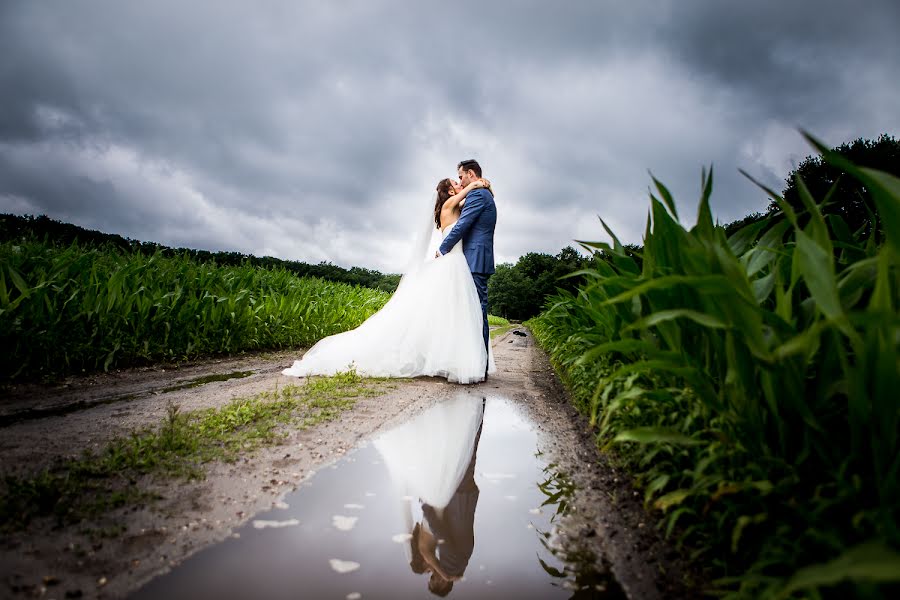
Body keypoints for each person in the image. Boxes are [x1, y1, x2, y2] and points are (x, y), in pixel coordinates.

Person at [281, 173, 496, 383]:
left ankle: (449, 358)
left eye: (460, 180)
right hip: (451, 263)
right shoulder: (450, 206)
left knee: (449, 316)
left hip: (456, 264)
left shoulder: (457, 206)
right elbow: (466, 199)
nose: (460, 184)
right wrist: (478, 183)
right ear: (450, 191)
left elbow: (471, 213)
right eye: (455, 183)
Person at [437, 160, 497, 380]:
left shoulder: (478, 195)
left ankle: (478, 365)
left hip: (474, 258)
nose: (460, 180)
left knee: (477, 312)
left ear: (470, 174)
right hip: (472, 258)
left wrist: (442, 249)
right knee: (471, 312)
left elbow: (462, 225)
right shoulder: (479, 192)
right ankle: (476, 363)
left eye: (461, 176)